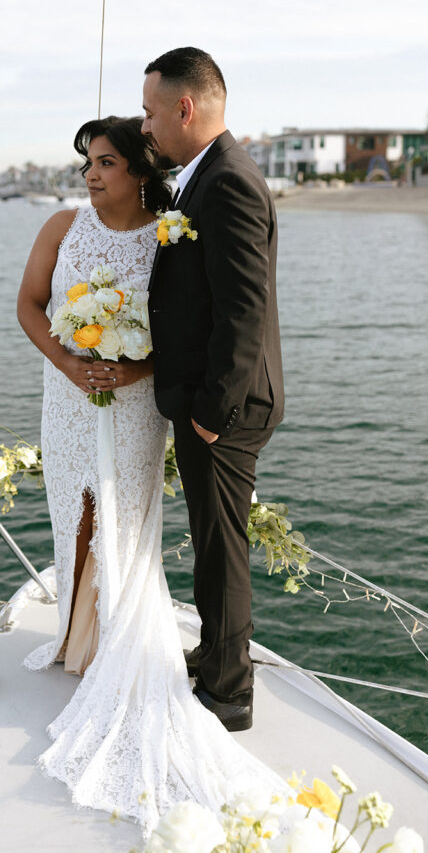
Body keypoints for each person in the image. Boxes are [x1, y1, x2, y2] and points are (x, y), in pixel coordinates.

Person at [17, 115, 287, 834]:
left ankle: (122, 644)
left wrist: (133, 368)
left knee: (125, 520)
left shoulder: (170, 233)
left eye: (105, 161)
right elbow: (30, 306)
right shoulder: (59, 225)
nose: (91, 174)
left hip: (136, 404)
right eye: (86, 163)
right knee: (72, 516)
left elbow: (191, 325)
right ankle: (83, 642)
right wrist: (71, 365)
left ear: (139, 168)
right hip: (68, 399)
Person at [143, 47, 284, 732]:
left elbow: (244, 309)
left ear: (184, 107)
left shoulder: (226, 181)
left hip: (222, 408)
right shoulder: (205, 177)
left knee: (221, 550)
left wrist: (210, 412)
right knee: (209, 542)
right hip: (207, 401)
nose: (145, 127)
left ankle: (228, 694)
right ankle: (213, 655)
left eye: (149, 111)